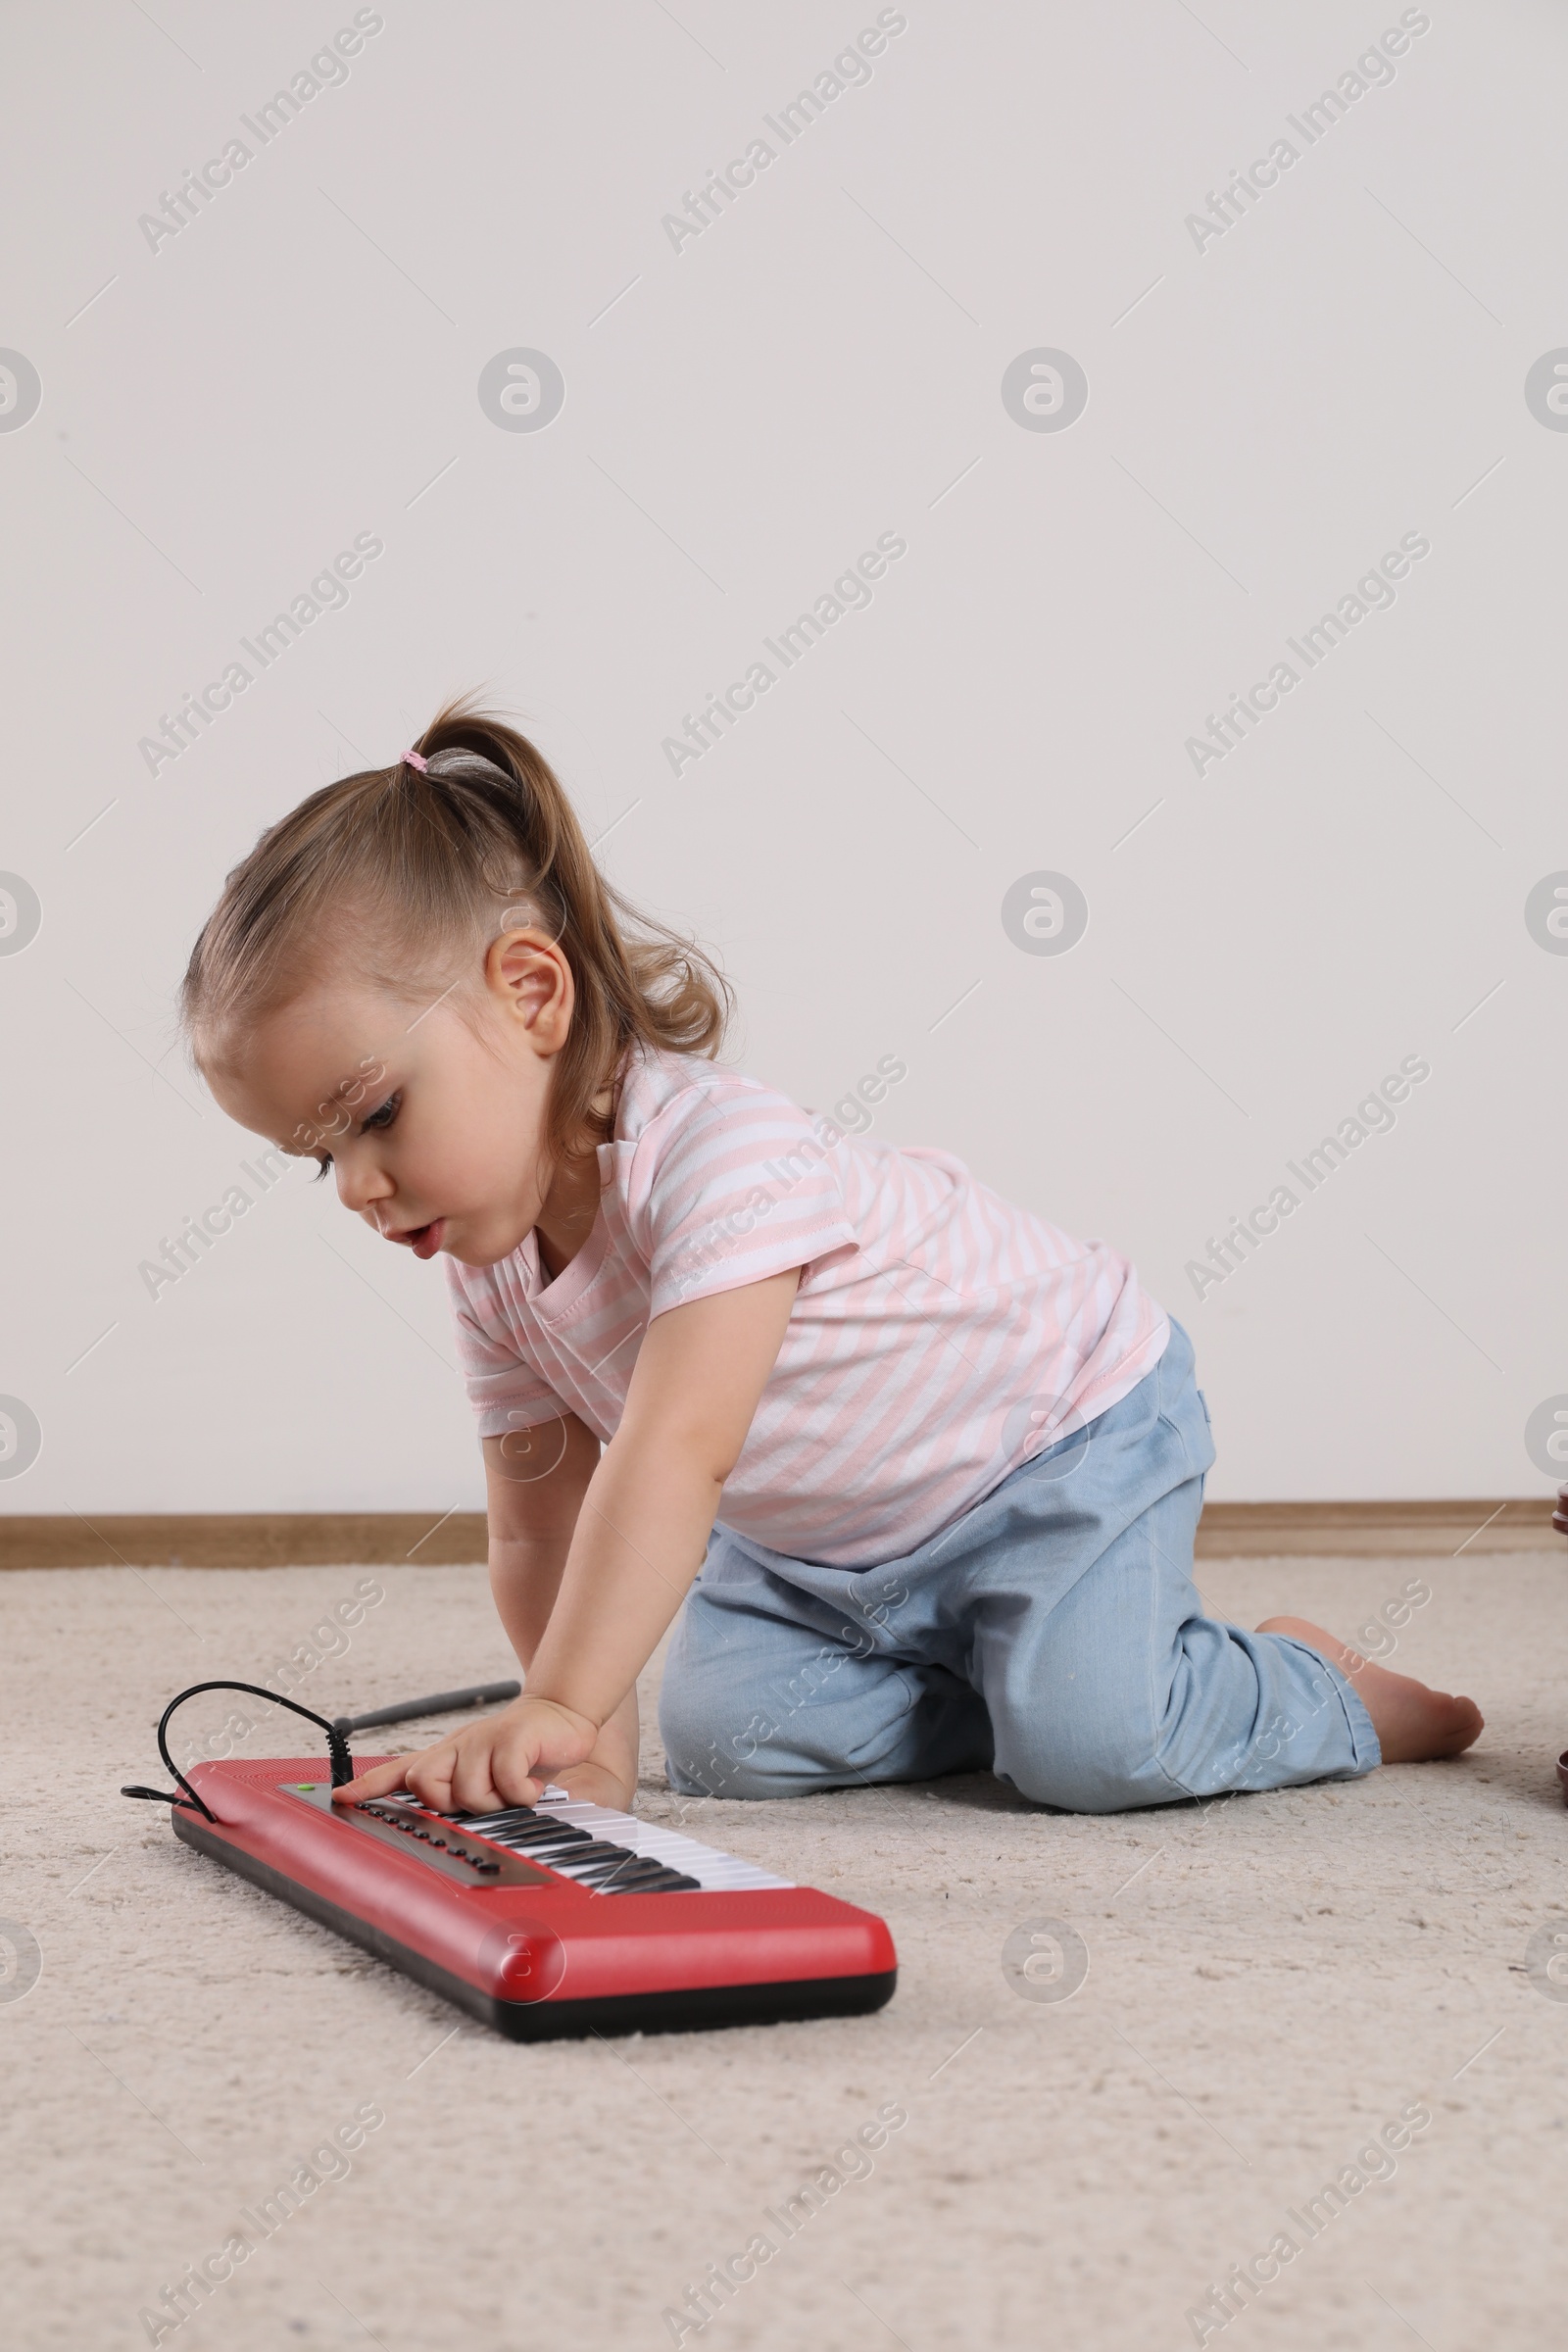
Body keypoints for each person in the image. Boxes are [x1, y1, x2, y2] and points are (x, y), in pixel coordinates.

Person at [180, 700, 1483, 1820]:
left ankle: (1308, 1682)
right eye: (317, 1157)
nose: (355, 1186)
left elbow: (676, 1449)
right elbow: (540, 1521)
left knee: (1097, 1754)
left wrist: (568, 1692)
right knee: (730, 1746)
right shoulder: (489, 1272)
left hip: (1058, 1443)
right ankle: (1010, 1673)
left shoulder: (720, 1160)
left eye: (378, 1115)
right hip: (835, 1556)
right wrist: (587, 1743)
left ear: (531, 994)